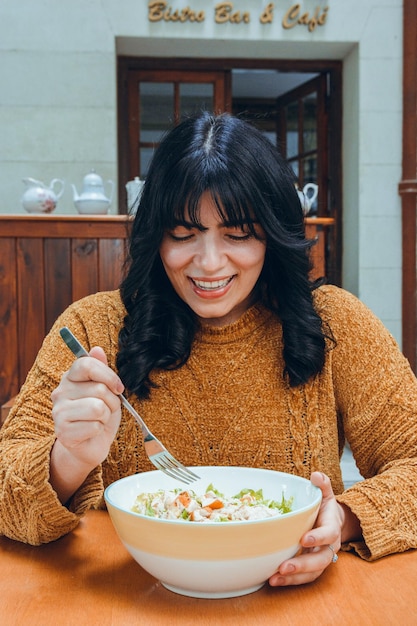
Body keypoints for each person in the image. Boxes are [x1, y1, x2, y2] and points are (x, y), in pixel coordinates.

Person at [1, 112, 416, 587]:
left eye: (238, 233)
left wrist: (341, 519)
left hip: (294, 603)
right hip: (126, 601)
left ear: (272, 232)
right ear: (155, 234)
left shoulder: (334, 322)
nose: (210, 263)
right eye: (182, 234)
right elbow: (4, 489)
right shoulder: (93, 326)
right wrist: (67, 459)